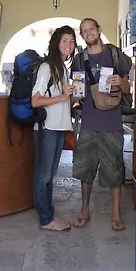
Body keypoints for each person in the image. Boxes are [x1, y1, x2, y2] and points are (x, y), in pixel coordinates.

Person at [71, 18, 130, 231]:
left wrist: (121, 82)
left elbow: (128, 88)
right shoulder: (79, 59)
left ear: (98, 30)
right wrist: (72, 96)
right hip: (88, 122)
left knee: (115, 169)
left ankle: (116, 213)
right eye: (84, 31)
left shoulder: (114, 54)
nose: (88, 33)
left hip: (112, 122)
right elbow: (76, 93)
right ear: (82, 35)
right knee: (84, 169)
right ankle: (84, 210)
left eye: (91, 29)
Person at [31, 25, 76, 232]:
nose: (69, 44)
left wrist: (73, 97)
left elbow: (62, 99)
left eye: (72, 41)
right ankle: (46, 219)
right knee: (43, 175)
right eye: (64, 40)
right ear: (56, 43)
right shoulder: (46, 67)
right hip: (47, 127)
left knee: (50, 174)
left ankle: (48, 214)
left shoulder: (62, 68)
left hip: (58, 127)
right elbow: (35, 101)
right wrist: (63, 96)